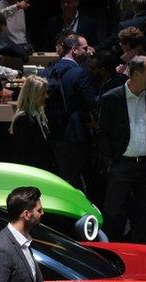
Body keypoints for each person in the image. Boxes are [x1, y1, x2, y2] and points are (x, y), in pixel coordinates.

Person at [97, 56, 146, 243]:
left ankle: (142, 260)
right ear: (136, 74)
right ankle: (112, 257)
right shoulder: (111, 98)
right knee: (114, 215)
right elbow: (102, 133)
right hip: (122, 166)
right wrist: (110, 164)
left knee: (145, 218)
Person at [44, 33, 96, 190]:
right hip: (75, 134)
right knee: (74, 179)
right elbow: (90, 103)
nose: (88, 52)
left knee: (59, 176)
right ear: (74, 50)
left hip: (53, 131)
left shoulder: (49, 70)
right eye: (85, 48)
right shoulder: (79, 73)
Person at [9, 75, 57, 174]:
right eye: (43, 93)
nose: (46, 96)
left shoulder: (39, 114)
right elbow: (21, 155)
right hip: (32, 175)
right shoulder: (23, 119)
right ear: (33, 95)